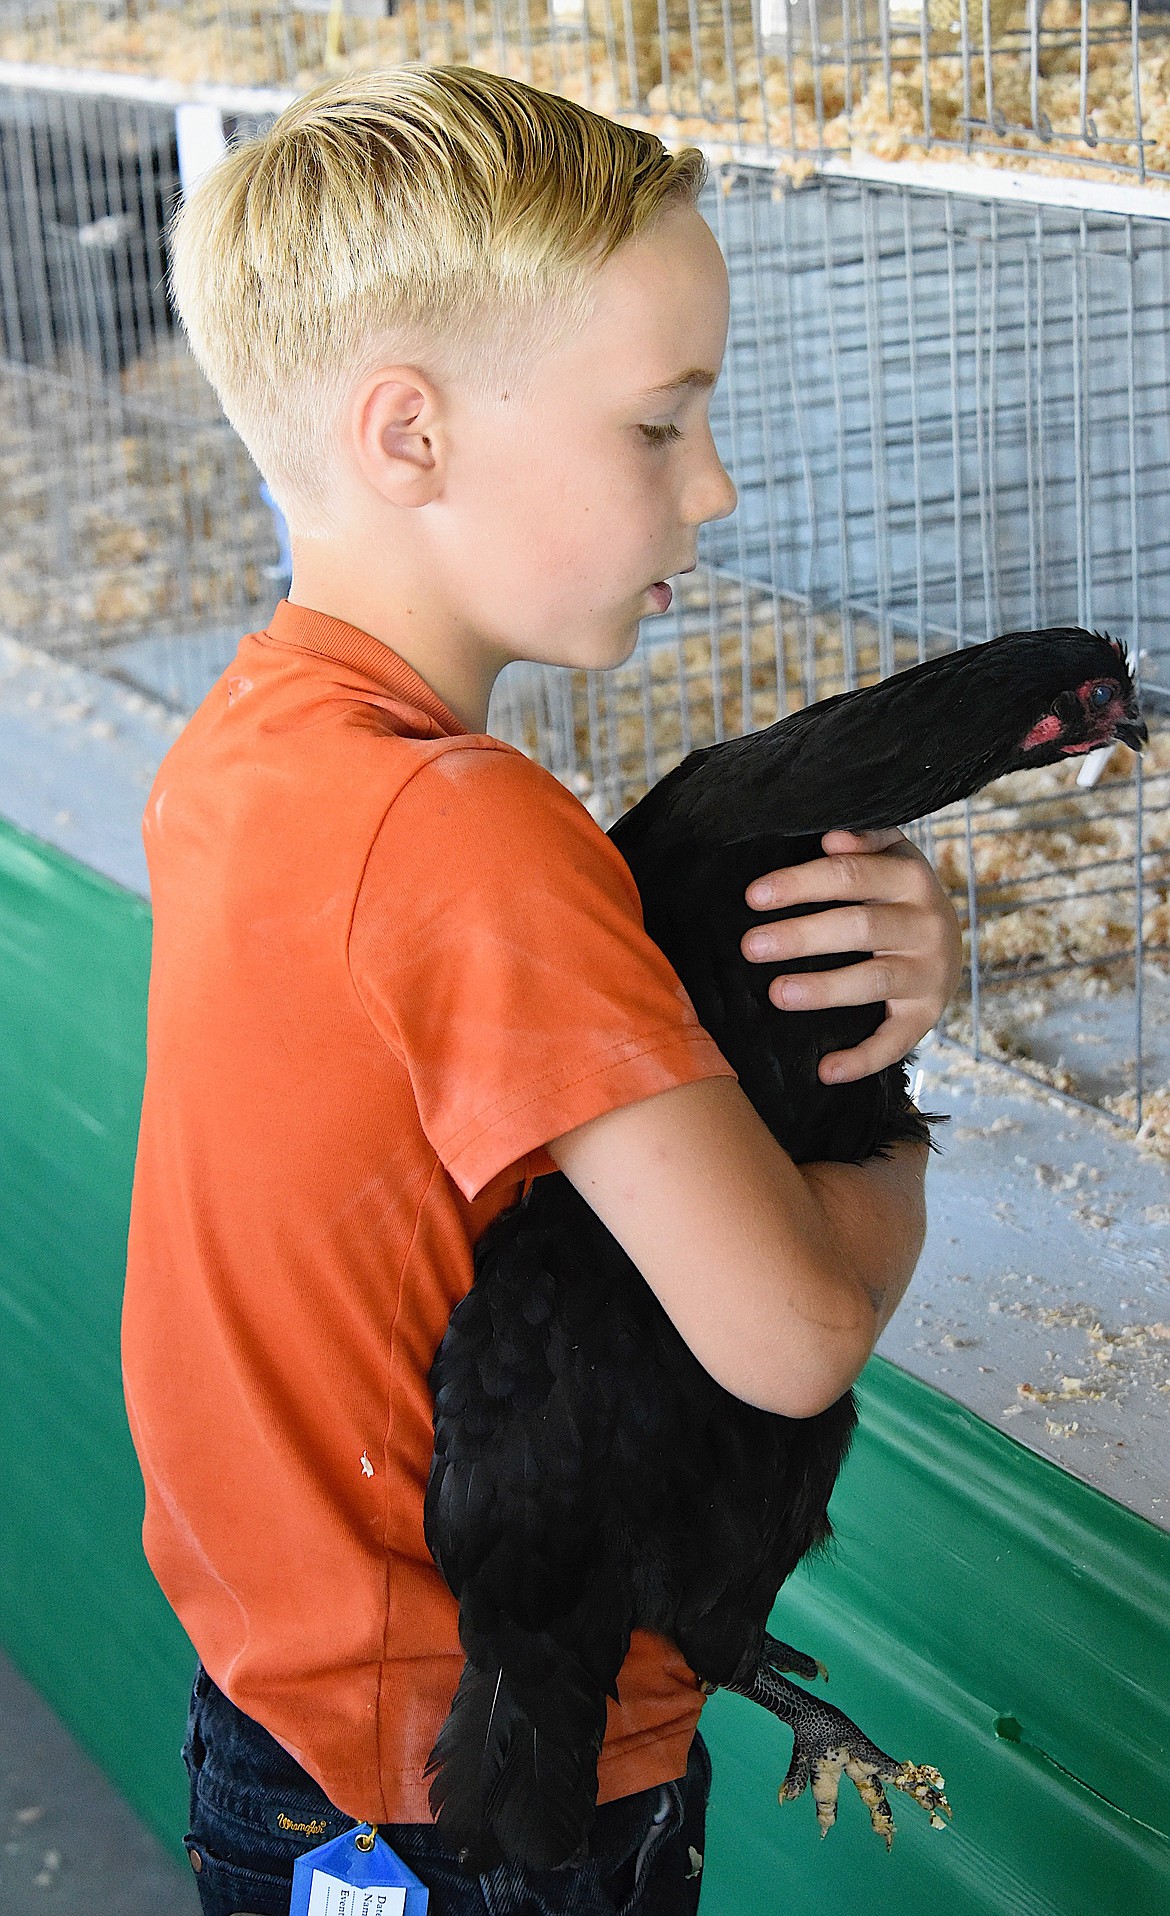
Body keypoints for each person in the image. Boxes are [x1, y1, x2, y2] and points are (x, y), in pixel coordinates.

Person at [121, 64, 961, 1916]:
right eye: (659, 426)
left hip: (282, 1727)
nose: (715, 485)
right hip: (490, 1779)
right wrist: (899, 1128)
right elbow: (792, 1332)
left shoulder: (249, 751)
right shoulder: (468, 834)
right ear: (406, 433)